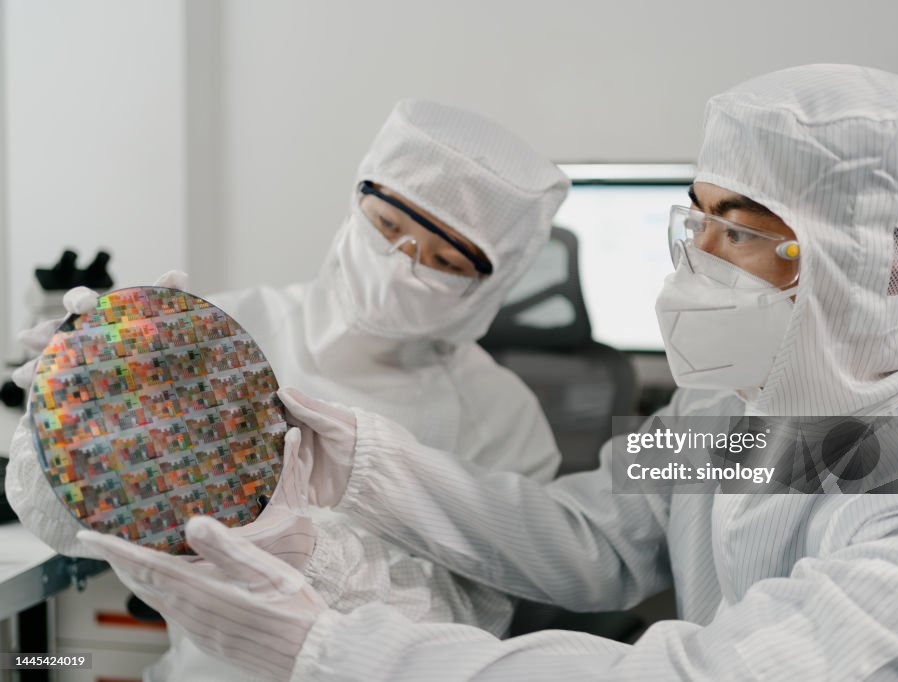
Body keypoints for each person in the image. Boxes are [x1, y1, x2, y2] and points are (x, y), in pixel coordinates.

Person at [85, 64, 898, 680]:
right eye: (696, 222)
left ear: (885, 263)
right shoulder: (725, 407)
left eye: (740, 232)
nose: (695, 264)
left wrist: (331, 649)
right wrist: (369, 465)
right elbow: (593, 536)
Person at [5, 100, 570, 680]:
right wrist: (67, 415)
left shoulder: (503, 414)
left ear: (490, 285)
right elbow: (65, 528)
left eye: (444, 260)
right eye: (387, 226)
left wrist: (311, 554)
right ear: (357, 199)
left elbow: (471, 626)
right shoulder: (219, 334)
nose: (401, 265)